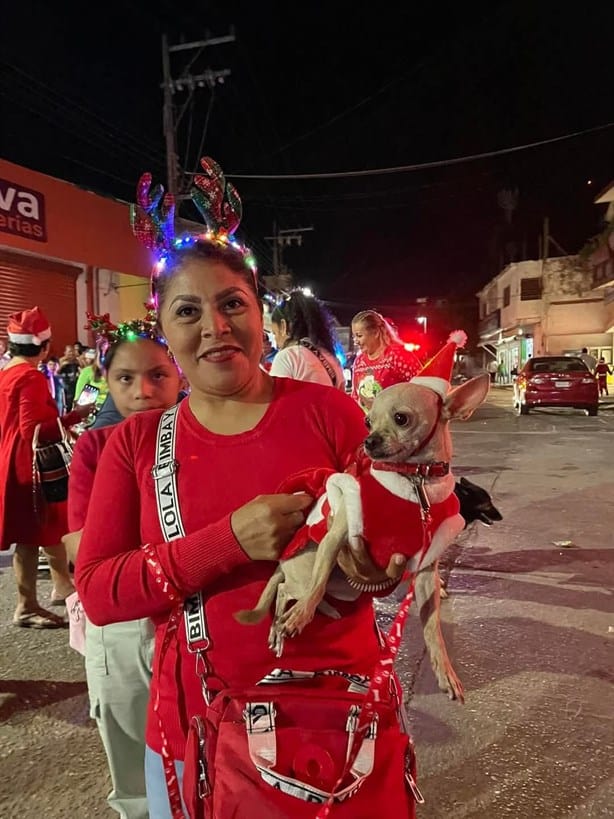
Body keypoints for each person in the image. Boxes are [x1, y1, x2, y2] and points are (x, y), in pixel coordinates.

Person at [75, 161, 415, 819]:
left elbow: (388, 564)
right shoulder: (135, 446)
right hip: (194, 736)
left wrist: (370, 564)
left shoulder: (332, 413)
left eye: (232, 303)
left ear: (262, 313)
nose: (214, 326)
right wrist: (228, 540)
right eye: (187, 310)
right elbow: (97, 589)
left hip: (336, 724)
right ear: (165, 328)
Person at [66, 313, 181, 819]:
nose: (143, 390)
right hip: (120, 620)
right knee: (130, 737)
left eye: (158, 374)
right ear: (107, 383)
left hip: (187, 611)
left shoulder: (198, 437)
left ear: (178, 376)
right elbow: (78, 545)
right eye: (126, 378)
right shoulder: (94, 447)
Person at [0, 307, 93, 627]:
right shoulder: (30, 377)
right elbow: (33, 430)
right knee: (37, 531)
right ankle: (28, 605)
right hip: (31, 466)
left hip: (13, 462)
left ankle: (60, 586)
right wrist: (75, 416)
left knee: (44, 529)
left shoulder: (7, 373)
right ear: (44, 346)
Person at [269, 289, 344, 388]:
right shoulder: (332, 359)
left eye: (275, 333)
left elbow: (275, 401)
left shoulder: (287, 357)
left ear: (283, 326)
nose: (276, 342)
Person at [350, 310, 421, 411]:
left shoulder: (399, 356)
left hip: (395, 423)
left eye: (359, 336)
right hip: (367, 423)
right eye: (354, 337)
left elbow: (421, 387)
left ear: (375, 333)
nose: (356, 341)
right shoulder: (359, 361)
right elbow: (355, 396)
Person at [74, 347, 109, 412]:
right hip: (93, 411)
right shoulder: (88, 372)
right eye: (102, 355)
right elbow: (78, 397)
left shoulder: (117, 373)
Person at [59, 344, 81, 410]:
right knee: (67, 406)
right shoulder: (62, 361)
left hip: (75, 385)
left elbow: (84, 367)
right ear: (65, 352)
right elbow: (56, 372)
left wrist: (78, 360)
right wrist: (62, 365)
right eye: (69, 352)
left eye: (72, 351)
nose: (71, 353)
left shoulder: (77, 361)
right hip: (66, 387)